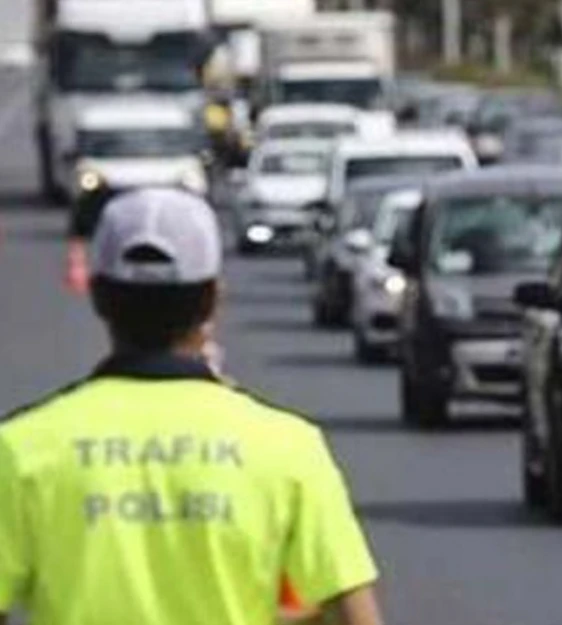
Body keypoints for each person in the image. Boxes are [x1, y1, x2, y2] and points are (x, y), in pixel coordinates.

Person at [0, 188, 384, 625]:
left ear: (98, 295)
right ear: (213, 299)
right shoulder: (288, 448)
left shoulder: (21, 449)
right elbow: (354, 615)